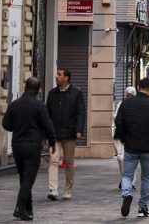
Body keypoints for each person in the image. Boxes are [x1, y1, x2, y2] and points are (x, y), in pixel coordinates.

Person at [2, 77, 56, 221]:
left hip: (18, 144)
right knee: (29, 177)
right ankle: (20, 207)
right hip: (32, 145)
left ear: (25, 87)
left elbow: (6, 124)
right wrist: (52, 142)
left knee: (24, 176)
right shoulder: (39, 105)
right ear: (39, 90)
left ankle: (27, 208)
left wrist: (18, 127)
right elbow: (48, 125)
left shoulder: (14, 104)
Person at [114, 78, 149, 218]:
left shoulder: (126, 103)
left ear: (138, 87)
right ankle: (143, 207)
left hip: (131, 145)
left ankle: (126, 194)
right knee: (146, 177)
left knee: (127, 175)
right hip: (147, 146)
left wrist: (123, 138)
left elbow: (119, 122)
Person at [45, 68, 85, 201]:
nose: (56, 76)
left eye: (59, 75)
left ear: (66, 78)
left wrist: (79, 129)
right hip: (54, 133)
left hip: (69, 132)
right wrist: (47, 130)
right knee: (53, 160)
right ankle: (53, 189)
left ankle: (68, 189)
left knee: (68, 162)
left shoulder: (77, 93)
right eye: (56, 74)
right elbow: (47, 113)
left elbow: (80, 112)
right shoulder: (52, 93)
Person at [112, 86, 138, 190]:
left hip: (132, 136)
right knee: (120, 158)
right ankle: (125, 178)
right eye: (127, 95)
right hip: (121, 135)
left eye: (131, 95)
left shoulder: (137, 106)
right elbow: (115, 117)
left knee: (133, 158)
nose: (129, 97)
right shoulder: (120, 104)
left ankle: (131, 182)